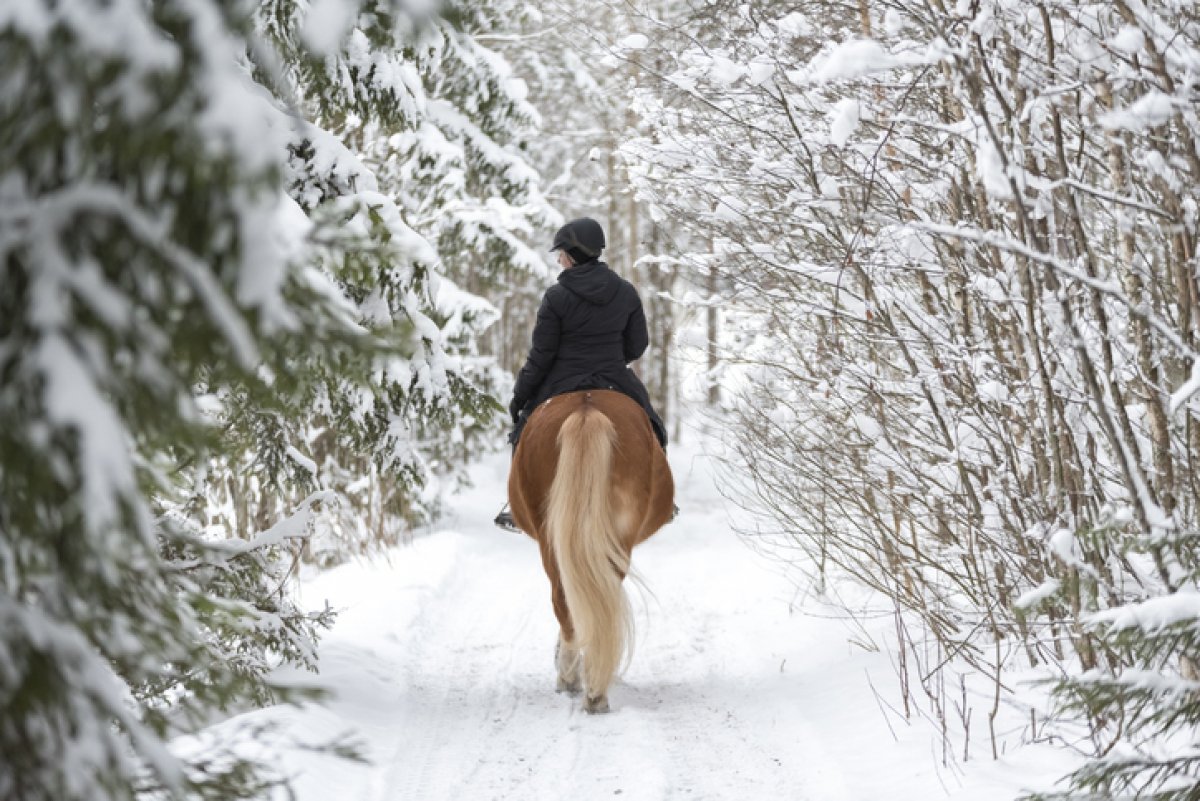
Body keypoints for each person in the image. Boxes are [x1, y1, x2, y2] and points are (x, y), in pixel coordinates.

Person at [495, 217, 667, 532]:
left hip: (562, 379)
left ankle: (517, 506)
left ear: (572, 254)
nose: (559, 259)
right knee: (654, 429)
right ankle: (660, 498)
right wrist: (612, 361)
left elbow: (542, 354)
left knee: (522, 433)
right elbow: (638, 345)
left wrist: (521, 397)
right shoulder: (626, 292)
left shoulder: (556, 296)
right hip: (614, 375)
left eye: (561, 252)